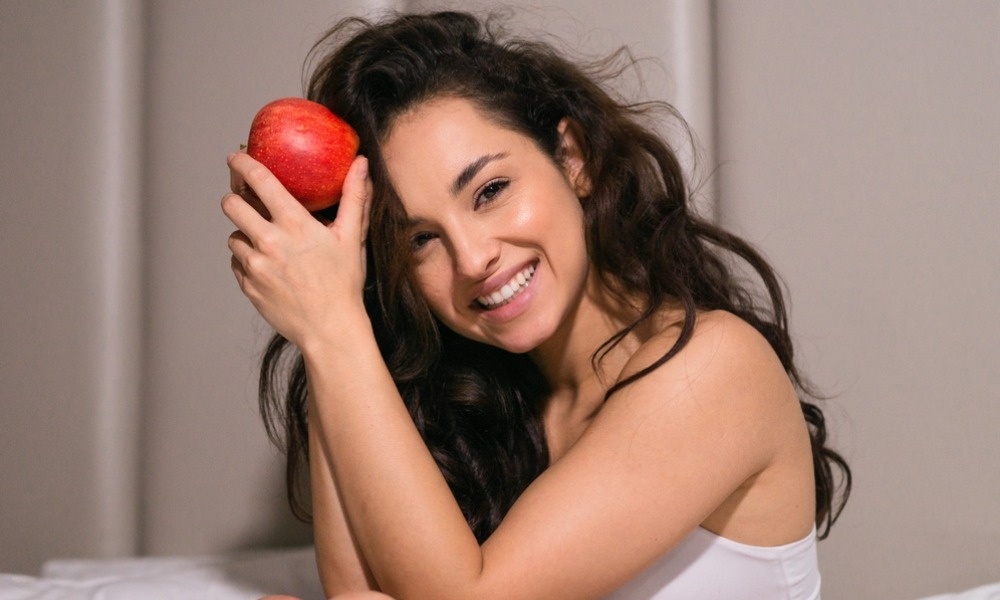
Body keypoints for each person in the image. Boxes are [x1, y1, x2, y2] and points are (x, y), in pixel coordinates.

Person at [222, 10, 851, 599]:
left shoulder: (713, 366)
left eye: (490, 190)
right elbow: (361, 592)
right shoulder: (493, 407)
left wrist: (334, 329)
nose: (472, 259)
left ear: (572, 159)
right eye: (420, 240)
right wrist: (332, 312)